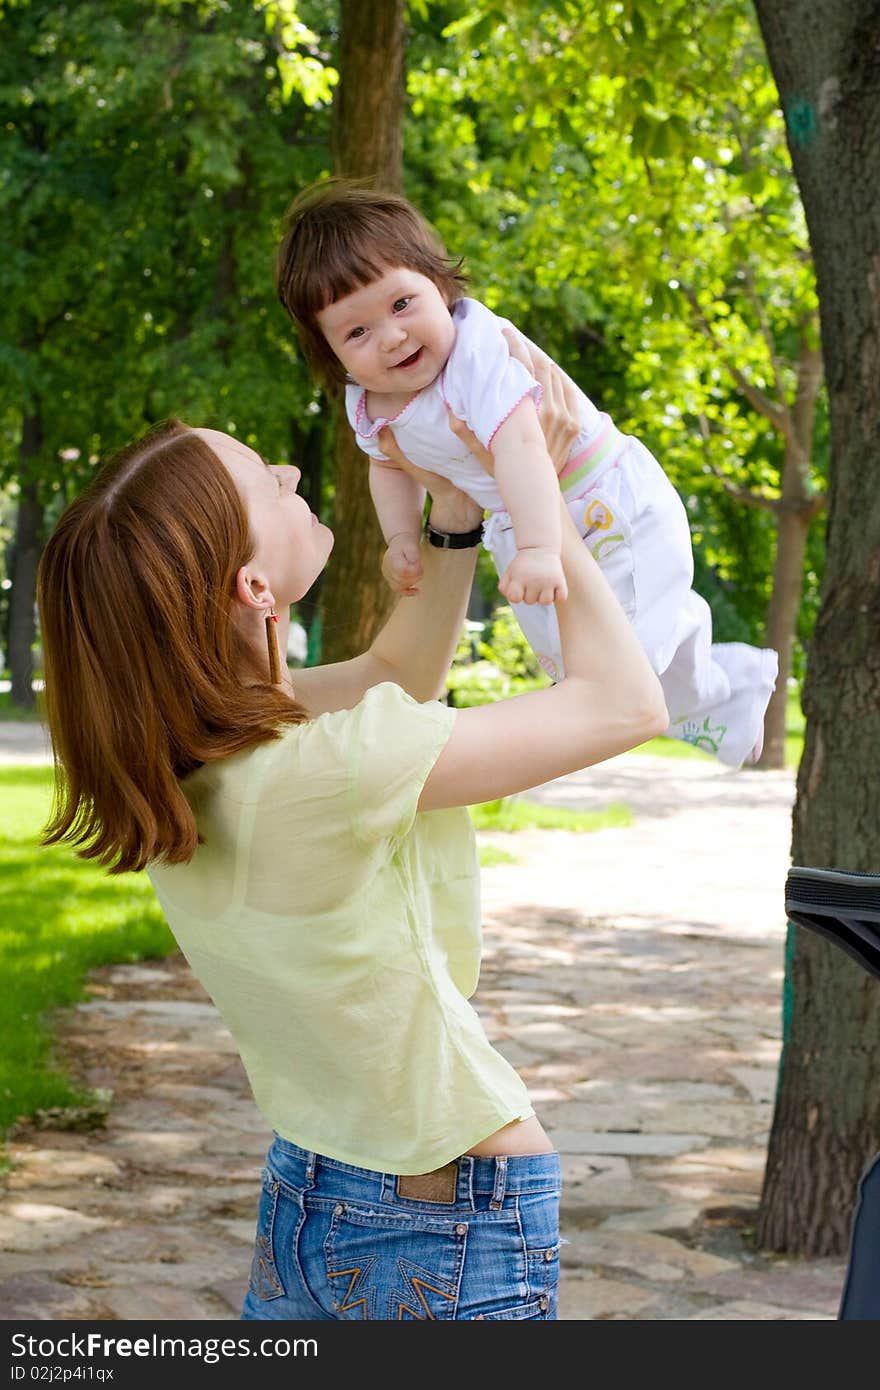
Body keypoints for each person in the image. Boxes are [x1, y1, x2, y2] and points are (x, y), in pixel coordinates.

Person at [35, 341, 667, 1321]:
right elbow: (623, 704)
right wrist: (528, 494)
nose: (290, 470)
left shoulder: (196, 757)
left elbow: (393, 677)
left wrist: (451, 524)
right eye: (266, 480)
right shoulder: (317, 772)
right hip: (443, 1224)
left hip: (317, 1192)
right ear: (253, 588)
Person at [275, 179, 778, 769]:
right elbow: (388, 468)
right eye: (356, 332)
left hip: (595, 498)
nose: (391, 337)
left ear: (439, 286)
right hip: (522, 523)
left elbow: (519, 444)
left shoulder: (474, 355)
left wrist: (541, 548)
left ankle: (721, 682)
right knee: (575, 658)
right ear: (331, 353)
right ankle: (724, 684)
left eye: (401, 304)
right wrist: (403, 539)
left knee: (612, 672)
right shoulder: (368, 402)